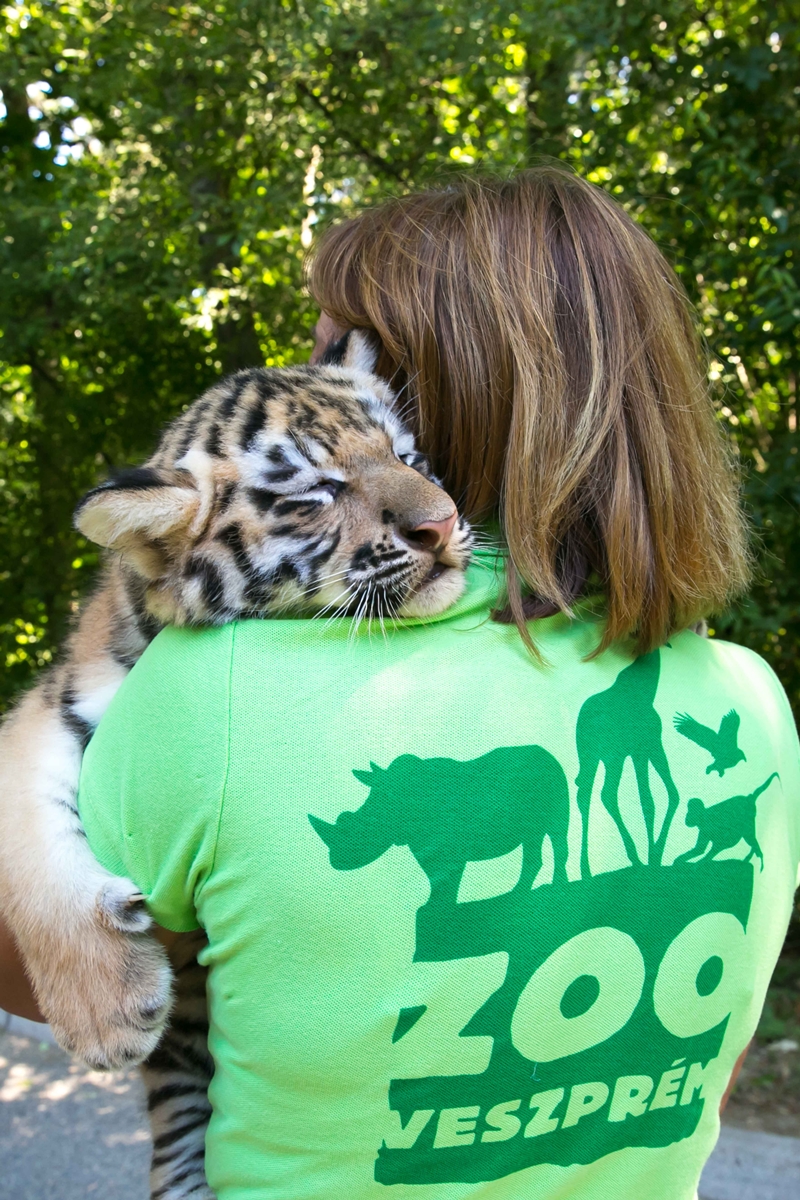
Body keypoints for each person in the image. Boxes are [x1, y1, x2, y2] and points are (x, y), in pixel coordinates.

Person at [1, 168, 798, 1199]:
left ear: (459, 396)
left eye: (345, 354)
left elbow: (43, 976)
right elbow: (710, 1067)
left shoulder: (216, 697)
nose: (315, 371)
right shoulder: (752, 703)